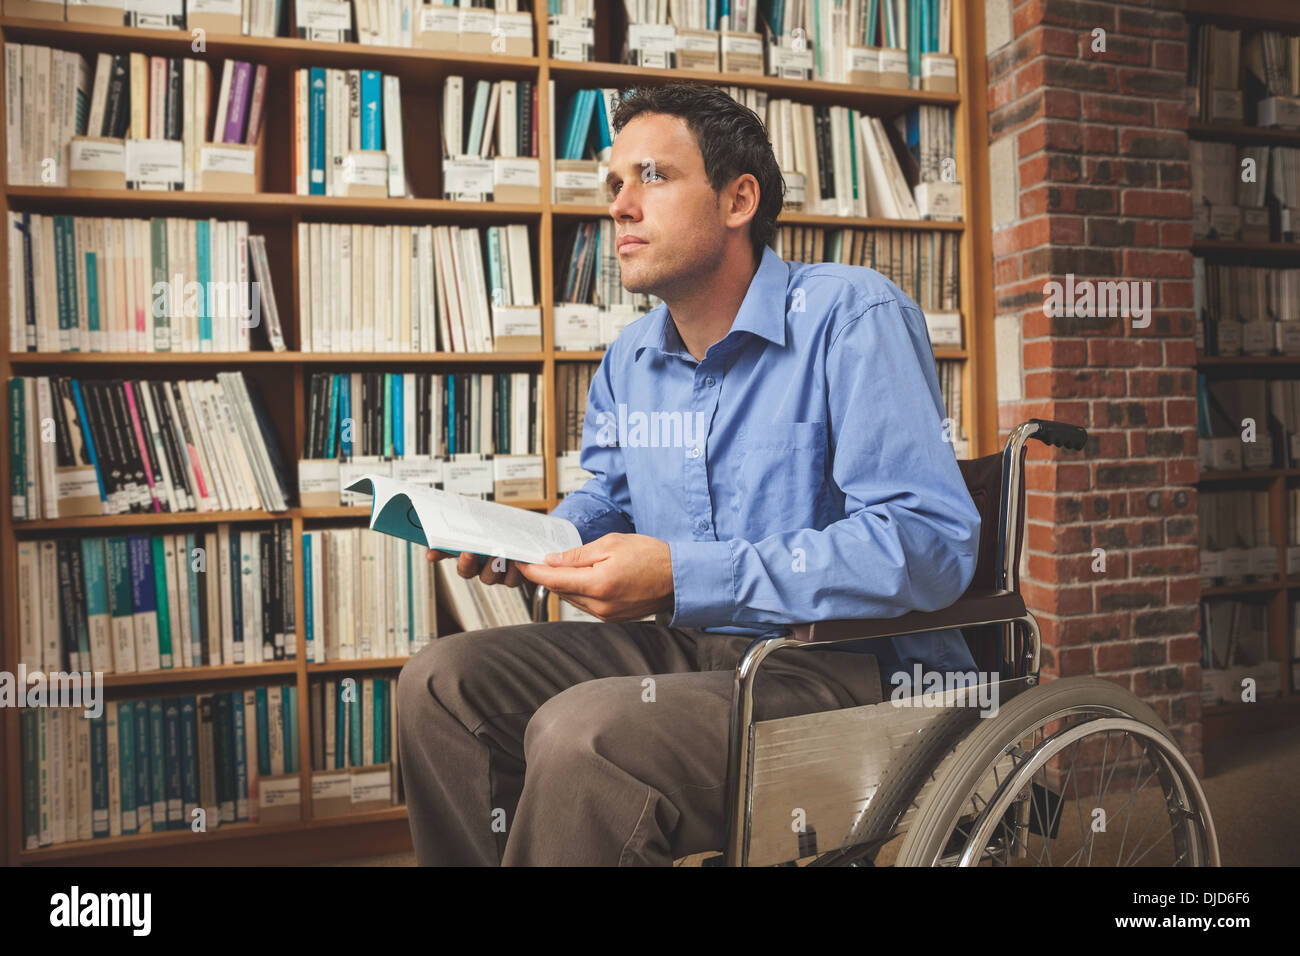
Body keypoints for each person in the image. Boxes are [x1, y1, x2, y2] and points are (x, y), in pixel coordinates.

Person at [397, 82, 982, 866]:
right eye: (613, 186)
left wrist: (683, 572)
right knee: (441, 682)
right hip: (697, 653)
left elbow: (927, 542)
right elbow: (609, 497)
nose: (620, 207)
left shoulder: (852, 317)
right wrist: (538, 542)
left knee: (584, 737)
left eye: (652, 177)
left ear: (739, 199)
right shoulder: (628, 360)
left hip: (844, 671)